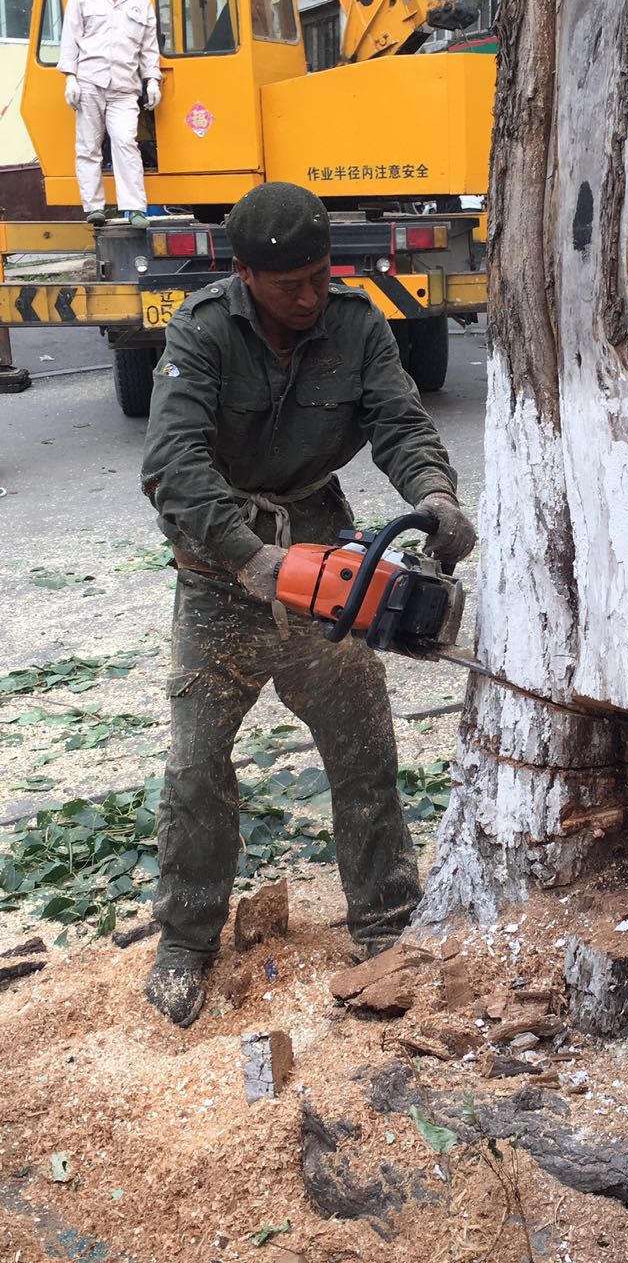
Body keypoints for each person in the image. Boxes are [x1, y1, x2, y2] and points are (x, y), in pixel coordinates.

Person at [140, 182, 476, 1028]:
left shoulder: (356, 324)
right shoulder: (202, 331)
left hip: (322, 551)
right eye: (290, 283)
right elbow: (173, 463)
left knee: (363, 747)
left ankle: (386, 920)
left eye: (321, 276)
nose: (309, 295)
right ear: (246, 274)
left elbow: (399, 421)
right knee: (196, 765)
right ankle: (185, 940)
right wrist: (247, 557)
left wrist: (434, 495)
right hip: (220, 572)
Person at [57, 0, 162, 227]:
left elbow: (149, 47)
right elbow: (70, 40)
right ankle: (94, 207)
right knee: (88, 146)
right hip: (89, 83)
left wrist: (152, 80)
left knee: (125, 141)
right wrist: (70, 78)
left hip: (125, 87)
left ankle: (134, 207)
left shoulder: (139, 0)